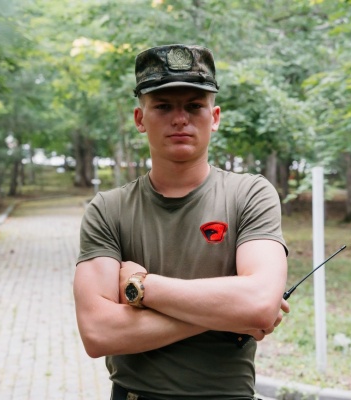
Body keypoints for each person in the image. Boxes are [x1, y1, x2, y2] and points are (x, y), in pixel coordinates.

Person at [74, 44, 289, 400]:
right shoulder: (108, 209)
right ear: (140, 119)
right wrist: (231, 314)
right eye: (163, 106)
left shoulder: (250, 195)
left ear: (215, 117)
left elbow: (259, 305)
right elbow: (98, 333)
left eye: (194, 106)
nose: (180, 119)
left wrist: (141, 287)